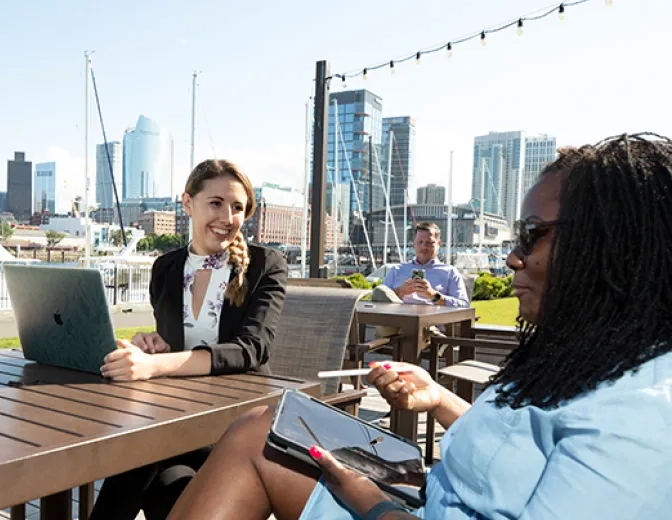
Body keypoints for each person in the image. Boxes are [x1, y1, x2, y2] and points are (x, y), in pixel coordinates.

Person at [165, 133, 672, 519]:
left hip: (411, 508)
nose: (513, 257)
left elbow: (251, 346)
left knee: (248, 438)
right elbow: (516, 439)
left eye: (532, 235)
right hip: (431, 489)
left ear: (613, 246)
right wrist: (440, 398)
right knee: (259, 428)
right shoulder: (591, 354)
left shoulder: (643, 423)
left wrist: (372, 502)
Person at [88, 159, 288, 520]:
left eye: (238, 207)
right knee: (163, 485)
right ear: (187, 203)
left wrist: (154, 366)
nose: (227, 216)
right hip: (176, 423)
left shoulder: (265, 264)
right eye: (216, 203)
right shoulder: (165, 268)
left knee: (139, 454)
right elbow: (170, 344)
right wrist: (153, 344)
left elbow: (250, 351)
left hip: (238, 428)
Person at [378, 222, 469, 308]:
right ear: (414, 243)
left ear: (438, 244)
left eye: (429, 243)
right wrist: (400, 292)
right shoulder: (397, 270)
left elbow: (463, 305)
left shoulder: (449, 272)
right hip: (400, 321)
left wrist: (433, 295)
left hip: (431, 322)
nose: (424, 247)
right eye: (420, 242)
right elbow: (379, 299)